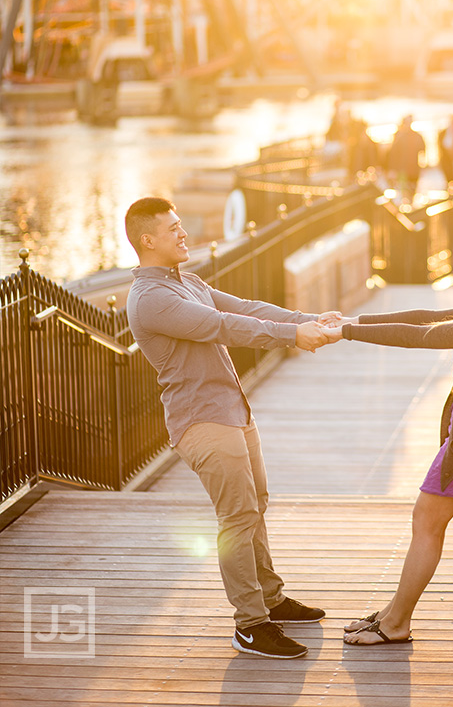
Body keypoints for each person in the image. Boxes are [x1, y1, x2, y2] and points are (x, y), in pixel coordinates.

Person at [125, 196, 337, 660]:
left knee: (255, 504)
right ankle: (249, 624)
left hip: (231, 410)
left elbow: (247, 306)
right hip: (201, 419)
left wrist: (307, 320)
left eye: (181, 225)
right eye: (173, 228)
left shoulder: (188, 281)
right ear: (147, 240)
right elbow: (223, 325)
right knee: (237, 517)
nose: (183, 233)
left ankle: (271, 598)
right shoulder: (152, 298)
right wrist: (292, 337)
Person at [320, 214, 453, 647]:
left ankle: (397, 622)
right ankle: (391, 613)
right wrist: (354, 321)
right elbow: (426, 315)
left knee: (427, 521)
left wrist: (344, 333)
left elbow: (422, 336)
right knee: (426, 520)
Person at [387, 115, 426, 199]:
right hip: (403, 170)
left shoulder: (416, 136)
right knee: (405, 191)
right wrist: (393, 169)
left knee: (411, 190)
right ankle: (408, 206)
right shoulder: (400, 137)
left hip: (413, 169)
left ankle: (410, 205)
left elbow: (423, 151)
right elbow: (393, 154)